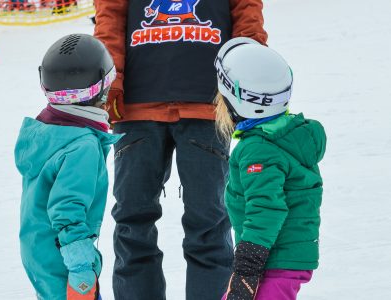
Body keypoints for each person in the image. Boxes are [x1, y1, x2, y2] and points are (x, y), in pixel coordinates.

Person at [94, 0, 267, 299]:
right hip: (137, 106)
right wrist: (111, 82)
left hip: (207, 104)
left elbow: (247, 14)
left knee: (209, 225)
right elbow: (109, 16)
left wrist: (246, 76)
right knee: (133, 222)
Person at [214, 37, 326, 300]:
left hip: (273, 261)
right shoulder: (285, 136)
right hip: (277, 258)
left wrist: (247, 268)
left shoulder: (260, 149)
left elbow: (266, 209)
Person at [14, 34, 121, 300]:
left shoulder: (48, 131)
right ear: (101, 87)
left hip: (39, 249)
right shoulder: (81, 146)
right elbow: (67, 210)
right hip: (63, 257)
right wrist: (81, 267)